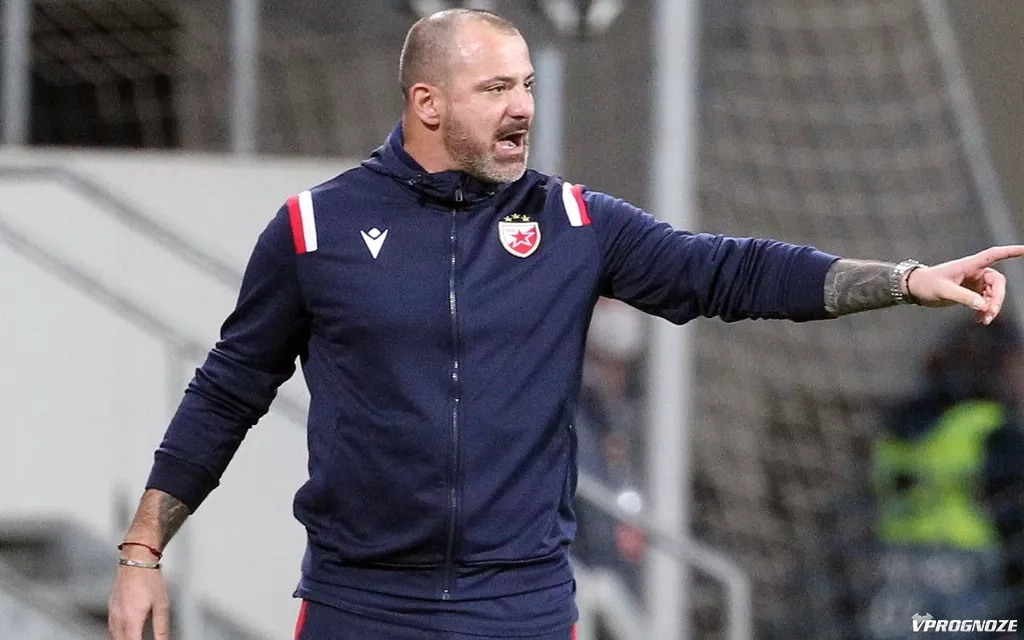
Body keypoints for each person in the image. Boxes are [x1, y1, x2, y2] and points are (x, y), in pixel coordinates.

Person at [106, 8, 1024, 640]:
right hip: (363, 606)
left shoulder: (576, 223)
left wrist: (902, 280)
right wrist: (144, 552)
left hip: (524, 609)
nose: (523, 108)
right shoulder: (315, 229)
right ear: (427, 104)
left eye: (528, 85)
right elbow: (226, 391)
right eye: (495, 89)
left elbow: (729, 269)